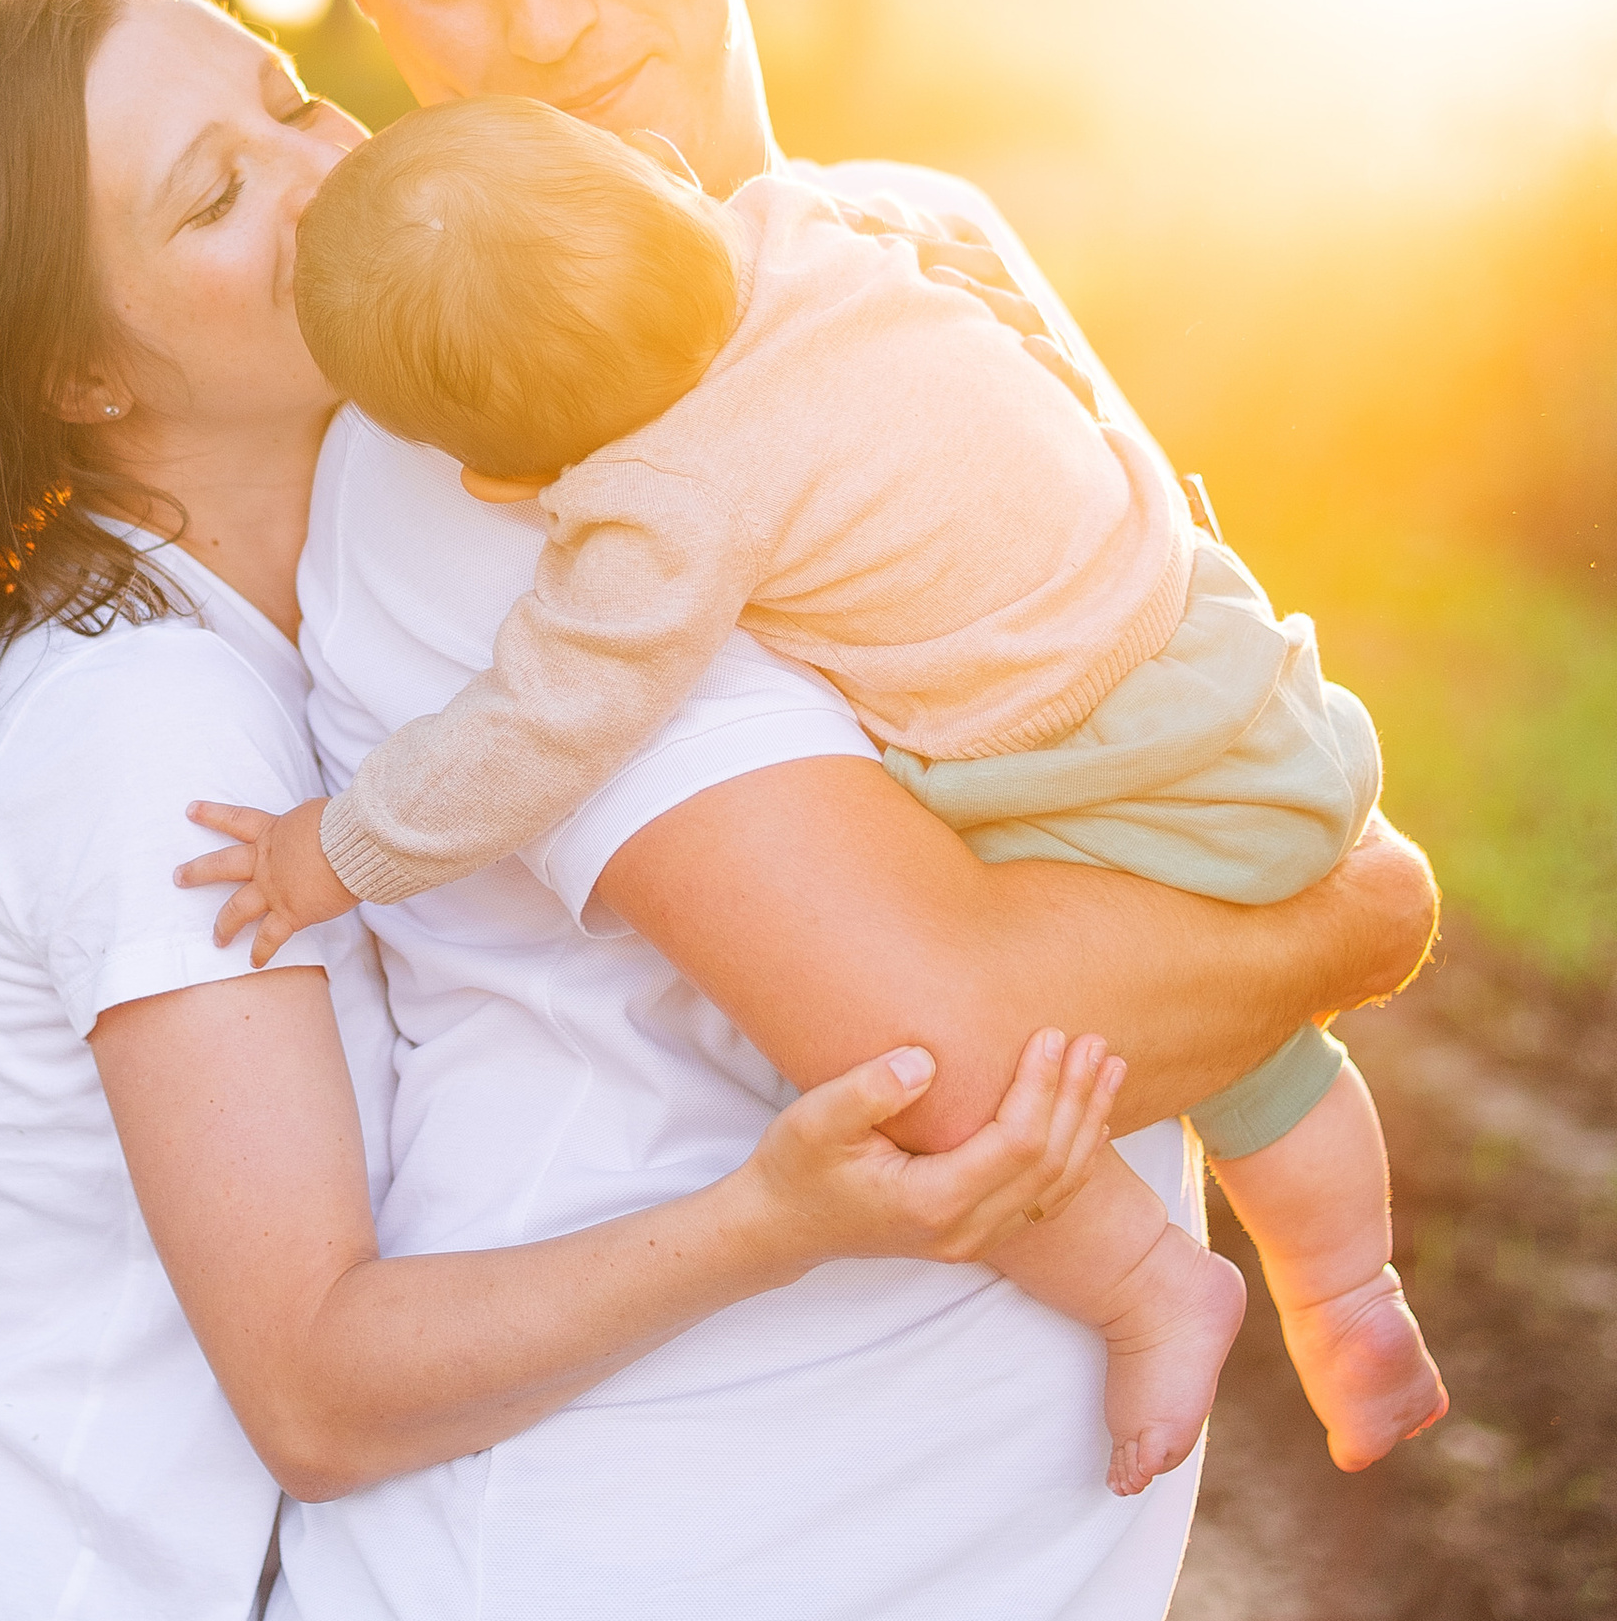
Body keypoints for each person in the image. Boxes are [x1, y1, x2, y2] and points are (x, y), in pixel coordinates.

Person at [183, 0, 1435, 1621]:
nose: (542, 16)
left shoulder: (924, 257)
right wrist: (1348, 923)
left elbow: (1163, 691)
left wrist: (1328, 901)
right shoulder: (484, 438)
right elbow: (967, 1036)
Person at [0, 0, 1124, 1621]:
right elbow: (310, 1376)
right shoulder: (155, 730)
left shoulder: (310, 641)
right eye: (221, 192)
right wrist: (763, 1222)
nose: (326, 170)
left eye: (291, 101)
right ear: (87, 370)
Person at [199, 89, 1445, 1497]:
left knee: (913, 1086)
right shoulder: (815, 224)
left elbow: (534, 721)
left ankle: (1152, 1282)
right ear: (661, 170)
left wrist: (335, 848)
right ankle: (1353, 1287)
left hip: (1079, 760)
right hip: (1233, 672)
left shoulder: (664, 503)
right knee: (1260, 1044)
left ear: (502, 476)